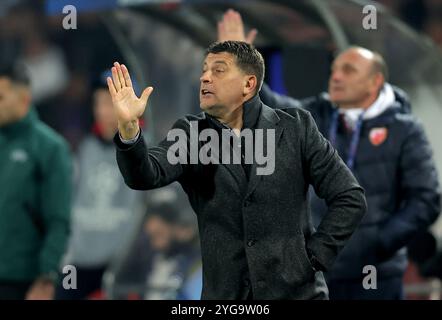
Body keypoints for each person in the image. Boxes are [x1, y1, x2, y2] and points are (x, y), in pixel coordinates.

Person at [107, 41, 367, 300]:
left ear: (248, 84)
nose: (205, 78)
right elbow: (145, 175)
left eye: (218, 70)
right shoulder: (190, 134)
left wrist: (314, 257)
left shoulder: (296, 129)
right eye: (204, 70)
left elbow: (349, 197)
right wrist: (130, 130)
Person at [217, 9, 441, 299]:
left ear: (374, 83)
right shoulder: (317, 115)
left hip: (375, 276)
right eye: (334, 69)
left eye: (348, 71)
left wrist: (377, 243)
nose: (336, 77)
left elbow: (425, 199)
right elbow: (266, 110)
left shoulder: (404, 129)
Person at [55, 72, 147, 300]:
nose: (103, 111)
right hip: (78, 265)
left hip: (124, 268)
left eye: (111, 103)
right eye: (99, 103)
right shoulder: (81, 148)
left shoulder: (150, 150)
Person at [0, 63, 72, 300]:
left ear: (23, 98)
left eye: (0, 97)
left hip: (23, 280)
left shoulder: (50, 148)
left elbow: (58, 220)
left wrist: (46, 277)